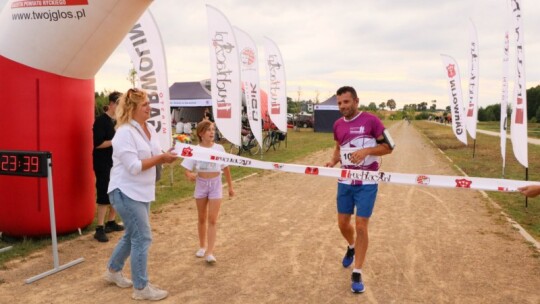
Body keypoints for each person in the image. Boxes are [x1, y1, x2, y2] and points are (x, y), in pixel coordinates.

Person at [104, 88, 178, 301]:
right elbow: (134, 166)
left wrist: (170, 154)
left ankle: (112, 271)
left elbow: (156, 154)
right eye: (145, 105)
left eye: (148, 104)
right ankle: (141, 287)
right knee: (142, 236)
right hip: (125, 191)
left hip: (142, 191)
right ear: (132, 108)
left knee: (132, 234)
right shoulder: (124, 133)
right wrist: (161, 158)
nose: (149, 108)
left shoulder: (148, 129)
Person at [325, 86, 393, 294]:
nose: (342, 106)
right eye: (339, 103)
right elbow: (339, 148)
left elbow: (389, 147)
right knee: (343, 224)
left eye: (346, 102)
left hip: (367, 182)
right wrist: (332, 161)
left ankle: (357, 271)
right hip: (345, 181)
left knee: (361, 225)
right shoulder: (337, 124)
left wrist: (367, 151)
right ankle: (352, 247)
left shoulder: (372, 121)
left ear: (356, 101)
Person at [181, 120, 234, 264]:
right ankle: (202, 246)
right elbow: (186, 168)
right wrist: (189, 174)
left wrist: (230, 187)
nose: (212, 132)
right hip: (201, 185)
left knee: (212, 219)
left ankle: (210, 252)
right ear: (200, 133)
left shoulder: (219, 149)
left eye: (213, 129)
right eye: (208, 130)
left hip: (216, 184)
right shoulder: (195, 149)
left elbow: (226, 168)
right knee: (202, 218)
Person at [92, 91, 125, 242]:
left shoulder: (119, 120)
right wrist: (116, 141)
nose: (121, 107)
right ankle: (99, 228)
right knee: (104, 193)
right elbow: (98, 144)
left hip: (117, 162)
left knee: (117, 191)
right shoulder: (101, 121)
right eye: (119, 104)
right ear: (112, 104)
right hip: (103, 162)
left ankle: (111, 222)